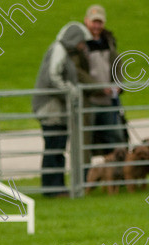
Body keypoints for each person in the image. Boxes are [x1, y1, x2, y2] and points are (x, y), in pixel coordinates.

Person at [32, 22, 90, 196]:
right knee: (54, 147)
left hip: (55, 110)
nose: (83, 46)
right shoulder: (59, 50)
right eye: (81, 41)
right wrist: (70, 90)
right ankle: (52, 189)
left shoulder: (63, 51)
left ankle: (56, 187)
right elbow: (53, 77)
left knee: (56, 147)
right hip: (50, 110)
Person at [78, 5, 125, 158]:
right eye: (93, 22)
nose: (96, 26)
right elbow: (78, 71)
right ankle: (87, 177)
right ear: (86, 21)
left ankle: (119, 174)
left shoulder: (109, 41)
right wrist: (97, 87)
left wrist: (118, 84)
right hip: (89, 101)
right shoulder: (80, 43)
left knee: (116, 138)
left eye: (99, 22)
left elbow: (118, 64)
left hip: (108, 101)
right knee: (86, 141)